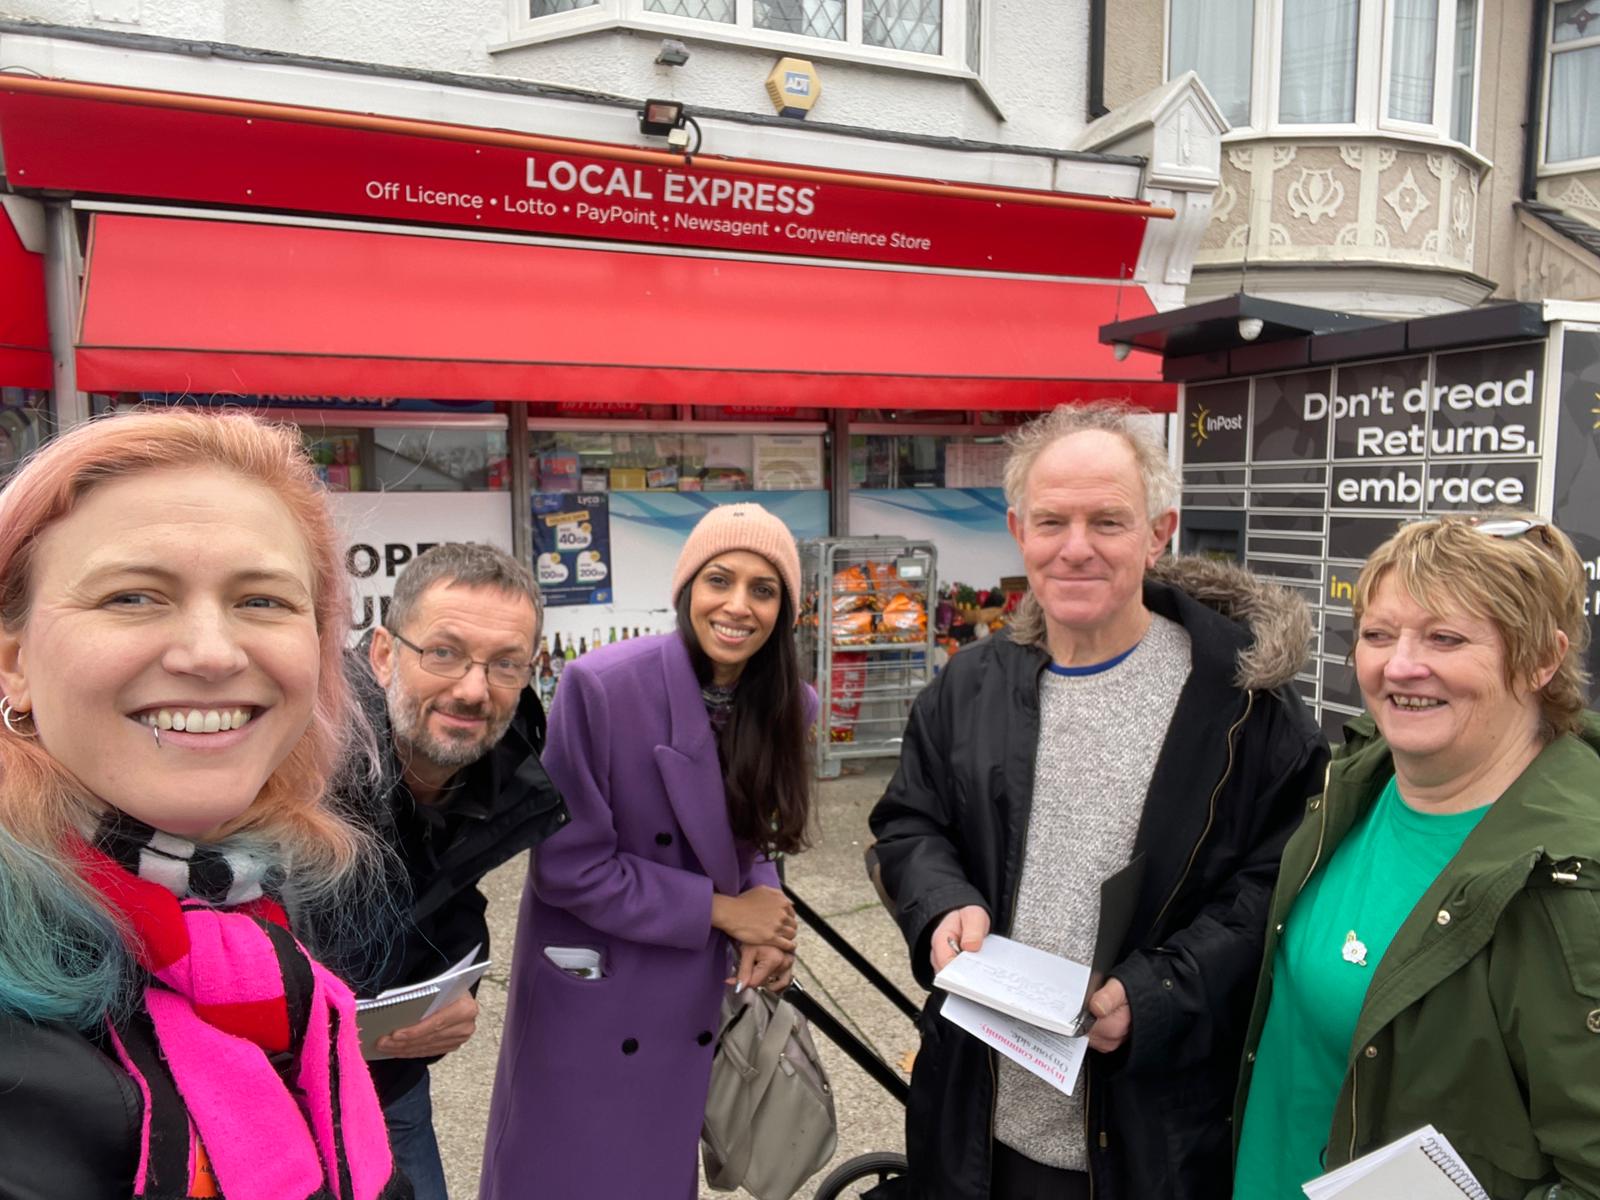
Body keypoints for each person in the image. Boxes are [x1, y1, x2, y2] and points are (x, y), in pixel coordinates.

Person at [868, 402, 1329, 1200]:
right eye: (1052, 522)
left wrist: (1158, 994)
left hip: (1155, 1141)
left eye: (1107, 521)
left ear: (1158, 534)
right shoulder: (968, 686)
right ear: (1020, 532)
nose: (1075, 547)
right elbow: (911, 822)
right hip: (977, 1127)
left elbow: (1276, 886)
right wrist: (941, 903)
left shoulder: (1245, 708)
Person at [0, 410, 407, 1199]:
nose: (213, 654)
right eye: (132, 596)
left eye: (263, 602)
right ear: (13, 662)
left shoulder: (247, 915)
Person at [1233, 513, 1600, 1199]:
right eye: (1378, 635)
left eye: (1446, 638)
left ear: (1542, 660)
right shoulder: (1353, 782)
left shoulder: (1572, 882)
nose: (1399, 665)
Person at [479, 502, 816, 1200]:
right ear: (686, 588)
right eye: (719, 579)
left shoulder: (790, 705)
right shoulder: (601, 687)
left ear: (784, 611)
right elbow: (568, 867)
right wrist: (726, 911)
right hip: (595, 993)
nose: (738, 605)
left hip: (689, 995)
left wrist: (767, 910)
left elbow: (753, 835)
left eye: (763, 589)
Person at [311, 543, 570, 1200]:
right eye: (444, 653)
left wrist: (453, 991)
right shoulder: (301, 763)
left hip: (390, 1087)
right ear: (383, 655)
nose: (473, 690)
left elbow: (442, 896)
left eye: (505, 663)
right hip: (264, 1097)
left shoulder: (503, 774)